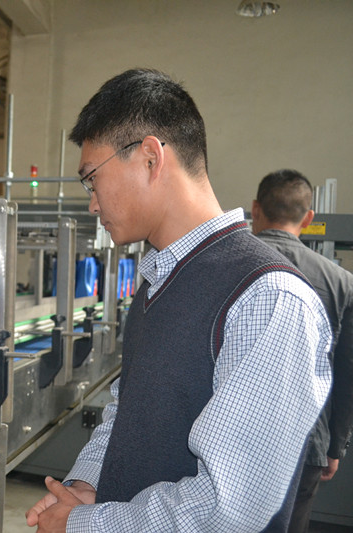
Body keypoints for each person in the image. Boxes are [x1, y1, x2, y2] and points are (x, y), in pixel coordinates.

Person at [25, 68, 332, 532]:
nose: (92, 203)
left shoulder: (267, 298)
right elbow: (128, 410)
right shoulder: (158, 281)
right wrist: (89, 484)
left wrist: (86, 525)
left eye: (92, 179)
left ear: (150, 157)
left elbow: (228, 509)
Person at [251, 169, 353, 533]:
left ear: (255, 209)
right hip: (307, 441)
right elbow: (346, 373)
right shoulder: (341, 283)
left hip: (236, 441)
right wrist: (335, 447)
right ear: (308, 218)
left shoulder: (227, 265)